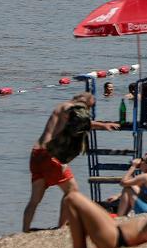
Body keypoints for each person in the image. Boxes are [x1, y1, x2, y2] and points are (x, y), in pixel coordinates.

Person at [24, 93, 118, 232]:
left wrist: (102, 125)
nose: (88, 110)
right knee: (72, 191)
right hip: (50, 155)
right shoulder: (71, 108)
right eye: (89, 106)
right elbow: (80, 120)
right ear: (84, 101)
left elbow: (77, 122)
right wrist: (104, 126)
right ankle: (61, 227)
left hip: (36, 153)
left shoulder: (61, 107)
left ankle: (25, 229)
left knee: (35, 199)